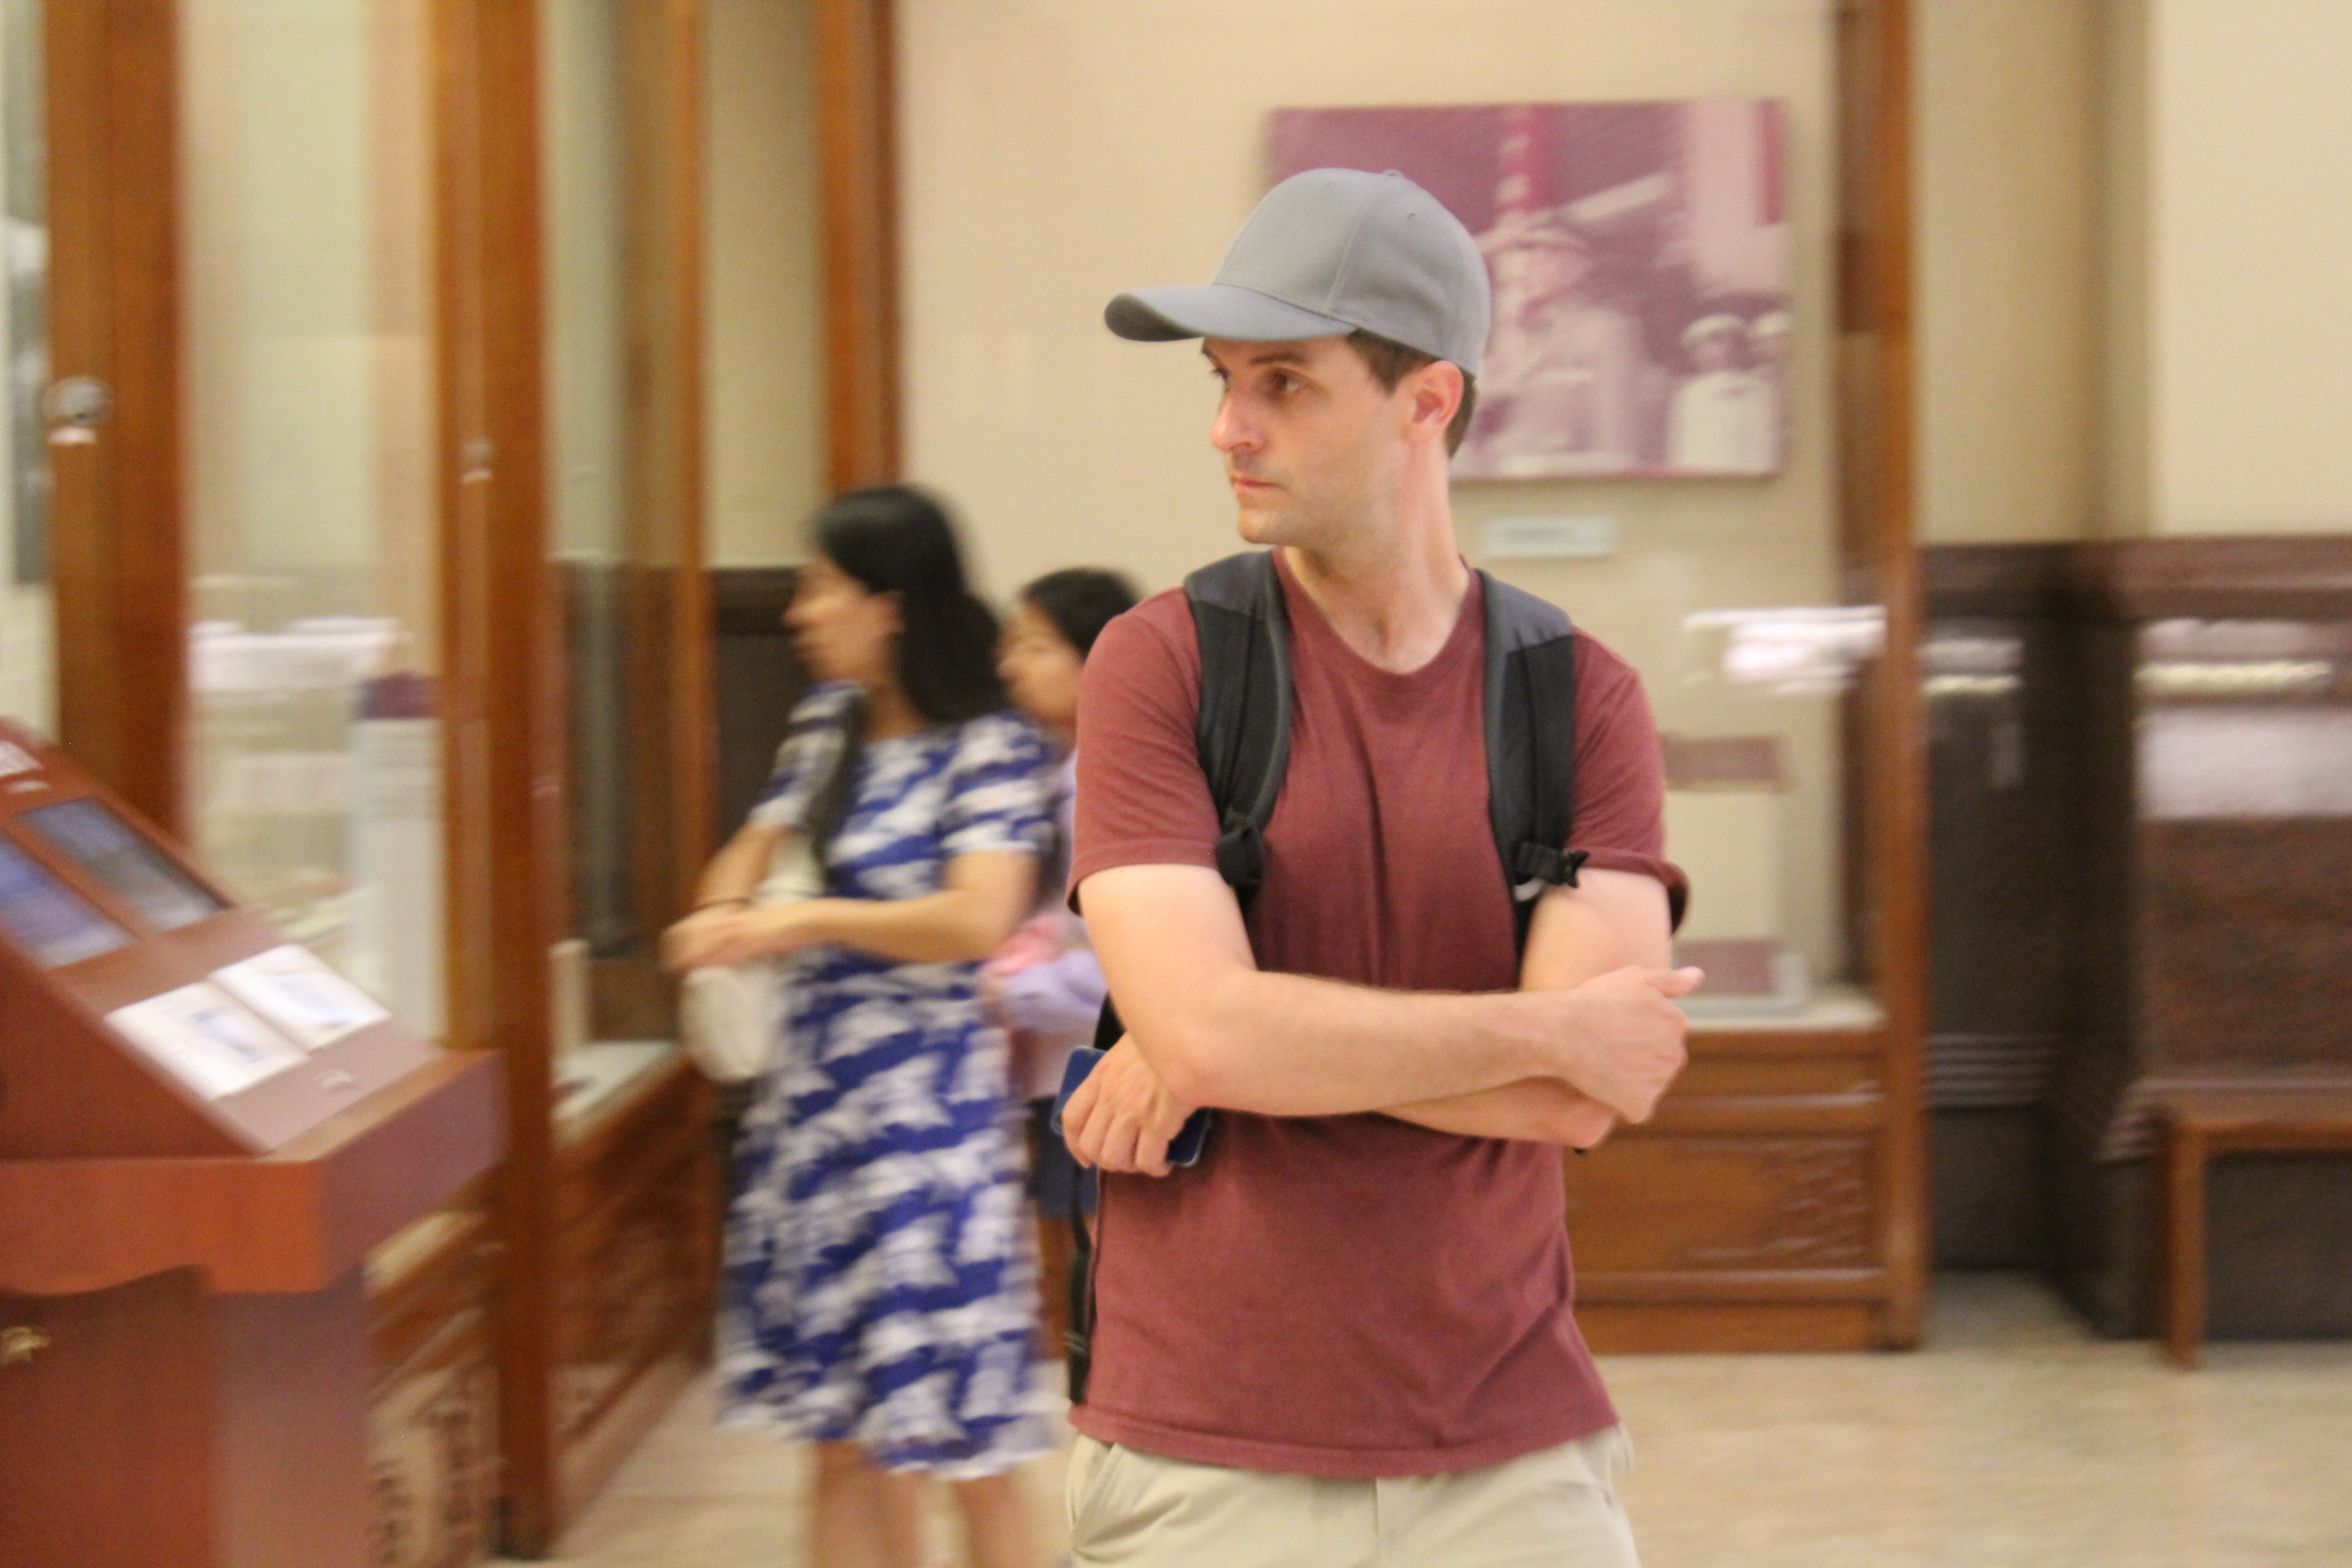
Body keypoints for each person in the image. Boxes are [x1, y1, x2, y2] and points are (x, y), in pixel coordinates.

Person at [1061, 167, 1699, 1567]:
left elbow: (1585, 1096)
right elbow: (1216, 1033)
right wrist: (1543, 1027)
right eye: (1225, 379)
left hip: (1515, 1451)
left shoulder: (1580, 696)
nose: (1229, 427)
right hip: (1202, 1446)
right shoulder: (1160, 666)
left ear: (1429, 401)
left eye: (1285, 382)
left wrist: (1245, 1039)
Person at [665, 486, 1054, 1568]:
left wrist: (799, 920)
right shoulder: (824, 725)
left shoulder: (989, 743)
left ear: (889, 606)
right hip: (813, 1120)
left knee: (967, 1442)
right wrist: (725, 911)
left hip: (926, 1133)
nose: (798, 612)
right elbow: (744, 857)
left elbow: (975, 918)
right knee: (838, 1438)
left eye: (819, 588)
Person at [988, 569, 1142, 1250]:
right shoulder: (1059, 775)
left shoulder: (1110, 783)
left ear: (1099, 658)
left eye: (1036, 646)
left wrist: (1007, 990)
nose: (1009, 667)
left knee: (1112, 1274)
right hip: (1068, 1067)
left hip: (1110, 1070)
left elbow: (1134, 965)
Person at [1666, 312, 1775, 473]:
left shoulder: (1758, 390)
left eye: (1719, 344)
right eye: (1700, 348)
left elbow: (1763, 444)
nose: (1708, 354)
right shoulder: (1689, 393)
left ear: (1738, 348)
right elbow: (1679, 445)